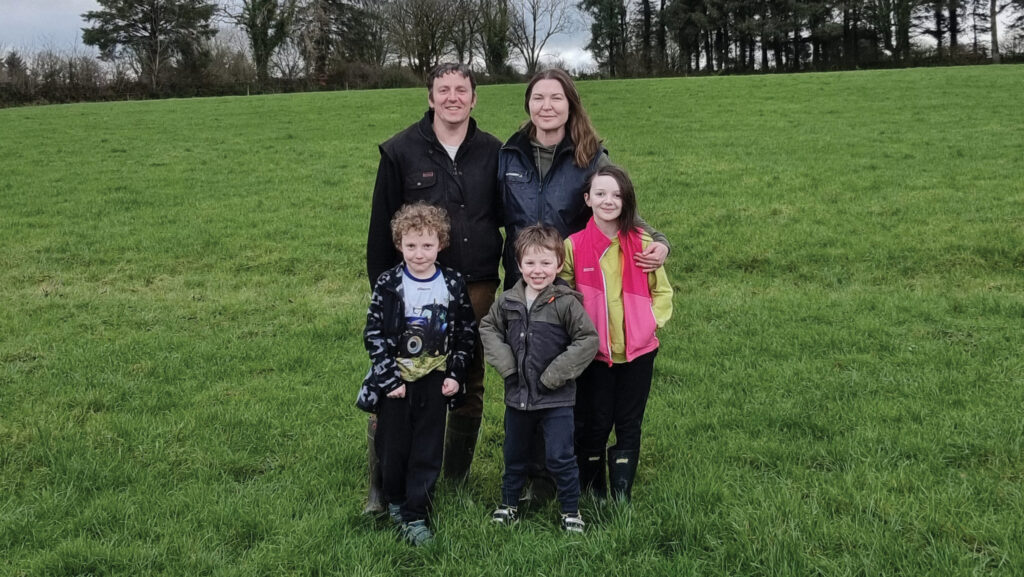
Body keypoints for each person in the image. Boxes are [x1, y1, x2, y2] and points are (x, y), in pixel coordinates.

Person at [497, 67, 671, 499]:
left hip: (573, 287)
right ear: (528, 105)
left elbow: (619, 206)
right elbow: (486, 216)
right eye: (538, 98)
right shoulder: (508, 154)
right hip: (522, 284)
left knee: (564, 383)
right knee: (527, 373)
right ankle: (531, 474)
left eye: (556, 98)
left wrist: (661, 241)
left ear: (570, 103)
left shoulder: (592, 156)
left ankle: (563, 471)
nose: (547, 106)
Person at [364, 63, 502, 511]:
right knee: (397, 382)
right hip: (412, 289)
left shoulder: (494, 153)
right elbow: (379, 229)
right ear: (430, 97)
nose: (452, 98)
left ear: (474, 98)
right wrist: (386, 294)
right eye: (443, 90)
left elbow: (512, 218)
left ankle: (453, 481)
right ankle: (382, 489)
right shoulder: (400, 151)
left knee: (467, 379)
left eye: (461, 90)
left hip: (475, 284)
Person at [356, 202, 477, 546]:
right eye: (411, 245)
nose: (419, 253)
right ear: (399, 245)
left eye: (427, 245)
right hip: (396, 382)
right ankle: (393, 498)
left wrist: (455, 373)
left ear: (441, 244)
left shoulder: (452, 283)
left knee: (427, 449)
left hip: (436, 380)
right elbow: (374, 334)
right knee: (392, 449)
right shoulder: (390, 283)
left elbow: (467, 332)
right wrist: (388, 378)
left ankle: (415, 512)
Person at [560, 165, 673, 502]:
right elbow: (564, 297)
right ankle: (592, 488)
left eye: (617, 195)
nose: (608, 201)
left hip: (639, 352)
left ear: (627, 202)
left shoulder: (643, 243)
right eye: (600, 194)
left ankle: (621, 489)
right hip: (594, 355)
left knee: (628, 421)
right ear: (588, 199)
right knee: (594, 421)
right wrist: (579, 333)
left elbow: (662, 291)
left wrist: (649, 323)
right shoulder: (574, 245)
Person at [479, 225, 599, 532]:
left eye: (546, 263)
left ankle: (571, 511)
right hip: (517, 397)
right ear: (518, 264)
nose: (538, 270)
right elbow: (488, 329)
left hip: (556, 398)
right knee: (514, 454)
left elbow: (587, 340)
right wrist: (507, 367)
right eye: (530, 263)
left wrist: (553, 376)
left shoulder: (566, 302)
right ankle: (508, 504)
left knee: (560, 456)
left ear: (559, 265)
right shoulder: (507, 301)